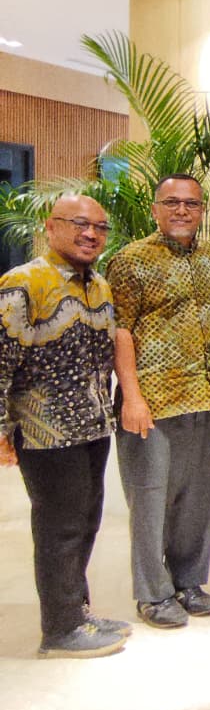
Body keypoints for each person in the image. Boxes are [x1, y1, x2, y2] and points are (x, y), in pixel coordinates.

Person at [0, 195, 131, 657]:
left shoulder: (99, 285)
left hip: (92, 428)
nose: (90, 234)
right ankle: (59, 630)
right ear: (50, 226)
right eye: (79, 224)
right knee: (60, 529)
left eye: (99, 227)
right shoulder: (23, 283)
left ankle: (77, 612)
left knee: (86, 522)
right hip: (46, 433)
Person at [107, 174, 210, 629]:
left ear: (202, 210)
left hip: (206, 396)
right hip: (153, 401)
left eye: (191, 203)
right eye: (172, 202)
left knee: (197, 499)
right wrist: (132, 396)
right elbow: (120, 330)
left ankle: (188, 581)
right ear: (155, 208)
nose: (182, 210)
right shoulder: (131, 260)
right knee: (150, 498)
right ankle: (153, 593)